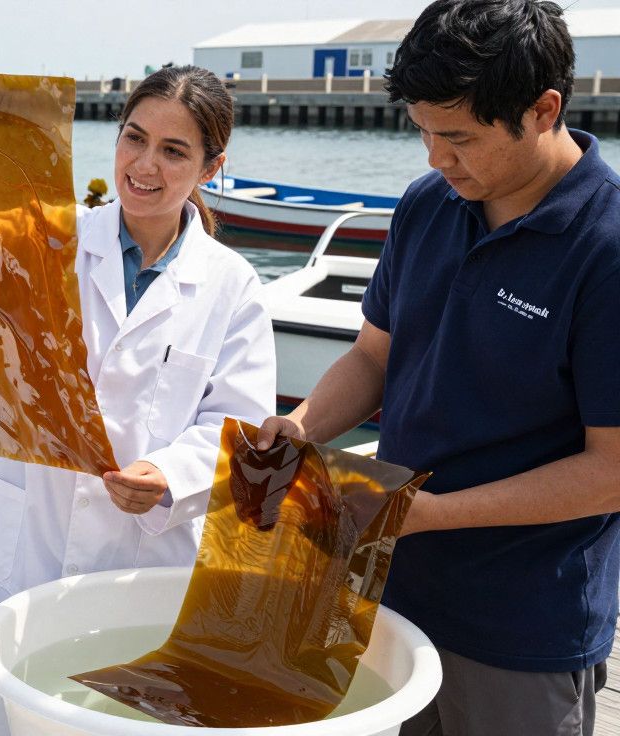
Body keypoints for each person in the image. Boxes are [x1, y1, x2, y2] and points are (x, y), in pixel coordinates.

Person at [255, 1, 620, 733]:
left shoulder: (605, 248)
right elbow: (372, 357)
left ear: (543, 109)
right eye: (422, 132)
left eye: (458, 138)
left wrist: (429, 515)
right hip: (386, 590)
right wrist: (300, 425)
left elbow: (611, 466)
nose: (435, 159)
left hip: (520, 626)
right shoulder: (426, 205)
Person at [0, 57, 276, 614]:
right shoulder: (48, 239)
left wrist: (169, 474)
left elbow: (238, 430)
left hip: (144, 561)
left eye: (174, 151)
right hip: (21, 549)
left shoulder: (233, 285)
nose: (145, 164)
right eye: (135, 138)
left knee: (117, 689)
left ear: (209, 168)